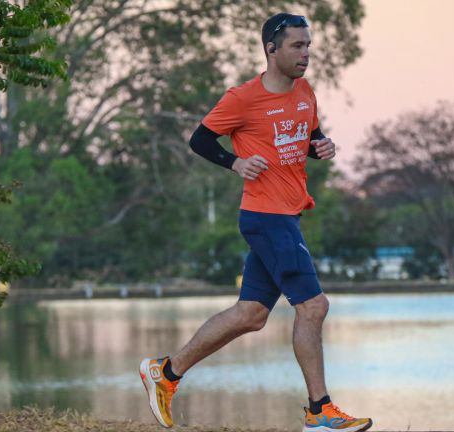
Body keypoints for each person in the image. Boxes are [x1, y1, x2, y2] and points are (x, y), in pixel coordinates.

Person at [139, 13, 372, 432]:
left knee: (250, 314)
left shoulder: (305, 92)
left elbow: (308, 138)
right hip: (266, 216)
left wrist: (321, 147)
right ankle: (320, 411)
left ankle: (166, 373)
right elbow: (200, 139)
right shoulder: (243, 98)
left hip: (288, 213)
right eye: (297, 46)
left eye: (308, 46)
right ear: (271, 49)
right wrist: (236, 162)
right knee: (314, 306)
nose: (306, 54)